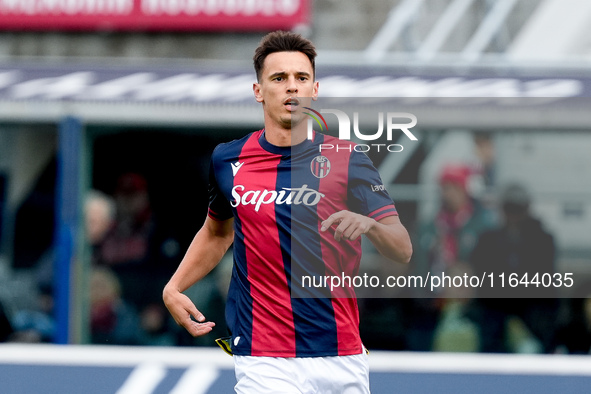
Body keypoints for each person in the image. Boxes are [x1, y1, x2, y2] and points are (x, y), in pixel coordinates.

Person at [163, 30, 412, 393]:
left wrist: (370, 224)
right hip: (263, 358)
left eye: (301, 78)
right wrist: (175, 286)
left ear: (314, 89)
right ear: (258, 91)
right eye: (279, 78)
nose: (291, 87)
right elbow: (218, 232)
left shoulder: (348, 159)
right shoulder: (227, 159)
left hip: (340, 354)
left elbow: (402, 249)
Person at [470, 183, 557, 353]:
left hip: (530, 307)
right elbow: (482, 277)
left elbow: (544, 280)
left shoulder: (543, 240)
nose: (514, 215)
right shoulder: (487, 240)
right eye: (510, 209)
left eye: (518, 209)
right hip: (496, 306)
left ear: (527, 209)